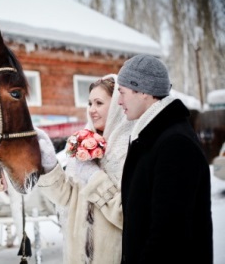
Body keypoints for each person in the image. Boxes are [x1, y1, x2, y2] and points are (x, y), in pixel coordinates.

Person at [116, 54, 213, 264]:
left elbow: (169, 235)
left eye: (122, 92)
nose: (119, 101)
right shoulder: (153, 137)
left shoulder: (175, 144)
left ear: (142, 91)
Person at [36, 74, 134, 264]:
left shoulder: (130, 150)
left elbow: (128, 216)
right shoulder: (81, 147)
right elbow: (66, 200)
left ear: (116, 106)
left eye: (99, 103)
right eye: (89, 104)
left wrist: (94, 177)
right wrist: (49, 166)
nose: (92, 110)